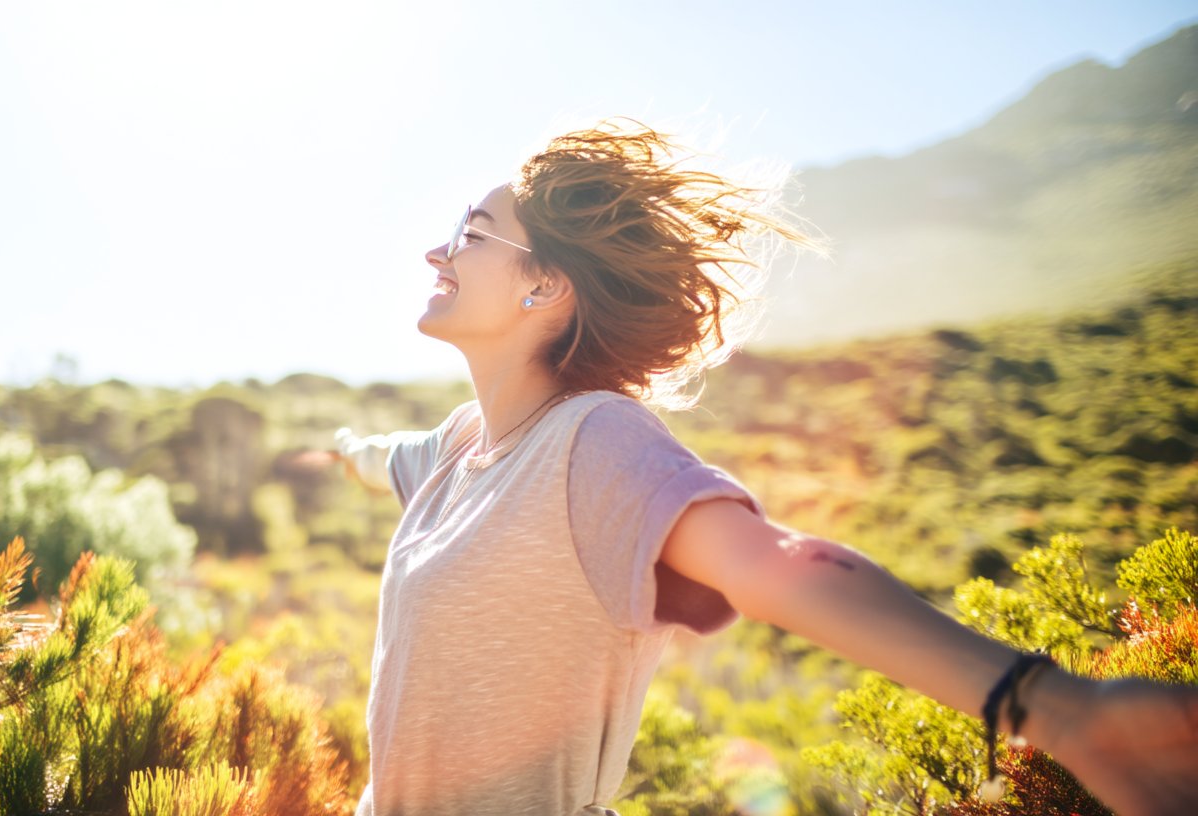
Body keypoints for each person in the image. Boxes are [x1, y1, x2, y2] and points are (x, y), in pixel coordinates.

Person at [326, 119, 1198, 816]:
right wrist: (333, 453)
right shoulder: (458, 445)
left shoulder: (594, 443)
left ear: (545, 286)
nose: (438, 253)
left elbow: (779, 565)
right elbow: (378, 461)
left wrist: (1055, 708)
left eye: (472, 234)